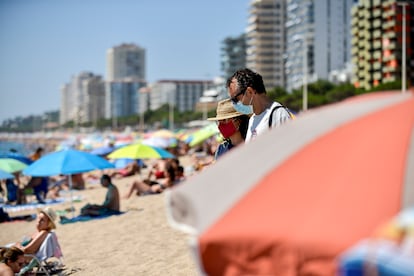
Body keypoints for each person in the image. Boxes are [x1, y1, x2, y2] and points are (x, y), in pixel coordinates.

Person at [227, 68, 292, 142]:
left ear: (249, 92)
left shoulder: (278, 114)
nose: (235, 103)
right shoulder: (253, 119)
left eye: (235, 99)